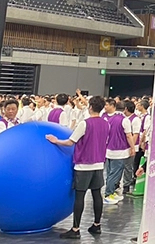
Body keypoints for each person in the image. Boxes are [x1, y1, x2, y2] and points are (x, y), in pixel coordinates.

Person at [47, 95, 109, 240]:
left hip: (83, 165)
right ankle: (97, 225)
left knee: (80, 197)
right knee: (97, 194)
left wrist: (56, 141)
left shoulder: (85, 123)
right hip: (99, 164)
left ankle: (75, 229)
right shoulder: (106, 123)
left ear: (90, 107)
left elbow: (70, 142)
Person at [103, 99, 134, 204]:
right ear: (125, 109)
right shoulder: (124, 120)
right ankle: (108, 194)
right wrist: (132, 148)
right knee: (115, 174)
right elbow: (129, 135)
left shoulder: (107, 118)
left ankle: (111, 192)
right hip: (119, 151)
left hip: (108, 150)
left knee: (110, 173)